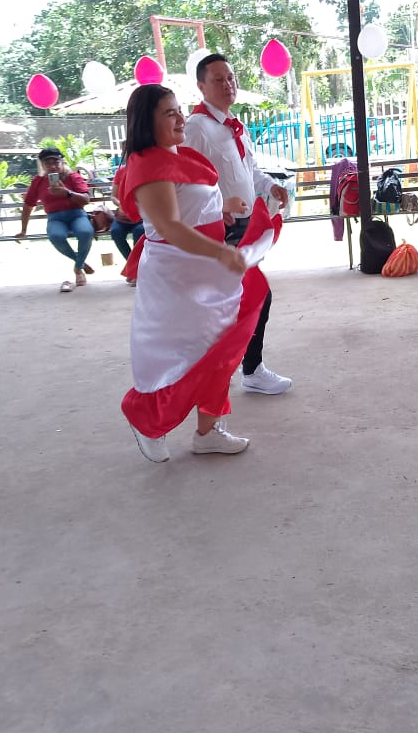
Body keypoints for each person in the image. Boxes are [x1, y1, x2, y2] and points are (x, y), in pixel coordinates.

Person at [118, 83, 278, 462]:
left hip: (205, 270)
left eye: (179, 110)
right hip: (178, 277)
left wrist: (222, 208)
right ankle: (148, 421)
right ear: (146, 122)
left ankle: (208, 431)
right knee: (179, 357)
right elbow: (169, 226)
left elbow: (187, 205)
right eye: (169, 113)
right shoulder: (148, 164)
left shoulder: (179, 154)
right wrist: (222, 253)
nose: (180, 118)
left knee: (222, 347)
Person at [183, 53, 292, 395]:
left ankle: (238, 368)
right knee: (250, 297)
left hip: (244, 226)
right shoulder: (196, 128)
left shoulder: (233, 125)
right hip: (220, 230)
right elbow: (186, 183)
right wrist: (216, 210)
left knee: (246, 298)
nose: (228, 84)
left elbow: (250, 171)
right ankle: (241, 370)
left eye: (230, 77)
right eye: (218, 79)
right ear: (201, 86)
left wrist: (269, 186)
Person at [15, 148, 95, 292]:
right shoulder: (38, 181)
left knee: (86, 232)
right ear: (42, 165)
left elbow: (86, 199)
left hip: (76, 214)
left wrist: (67, 193)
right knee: (56, 236)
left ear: (62, 162)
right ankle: (81, 262)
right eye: (48, 163)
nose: (52, 166)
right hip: (55, 217)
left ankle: (78, 268)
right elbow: (28, 205)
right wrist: (23, 230)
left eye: (56, 162)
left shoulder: (73, 177)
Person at [109, 162, 144, 284]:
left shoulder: (145, 170)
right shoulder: (121, 171)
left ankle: (135, 270)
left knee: (139, 231)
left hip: (140, 217)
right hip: (123, 216)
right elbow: (113, 196)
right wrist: (122, 205)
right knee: (116, 232)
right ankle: (132, 268)